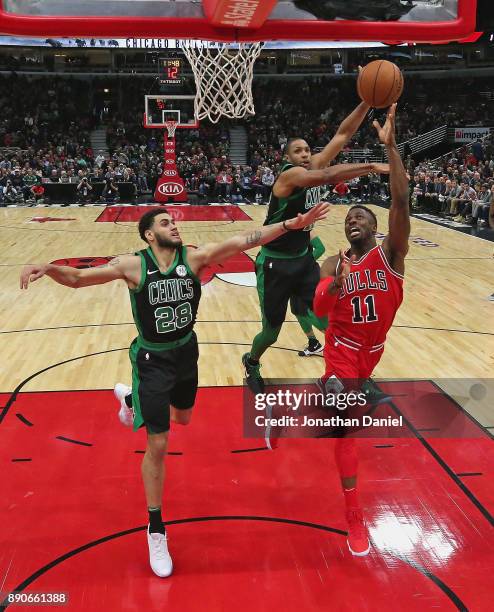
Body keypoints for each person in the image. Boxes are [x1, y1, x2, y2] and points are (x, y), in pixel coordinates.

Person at [19, 203, 329, 579]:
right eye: (165, 222)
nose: (174, 225)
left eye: (173, 221)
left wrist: (290, 224)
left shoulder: (195, 258)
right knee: (160, 443)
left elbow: (245, 239)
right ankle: (156, 528)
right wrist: (48, 268)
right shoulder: (134, 265)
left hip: (187, 351)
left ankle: (131, 399)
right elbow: (80, 278)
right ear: (149, 233)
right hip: (152, 359)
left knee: (183, 417)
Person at [313, 104, 409, 557]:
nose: (354, 220)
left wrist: (390, 149)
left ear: (374, 227)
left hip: (374, 350)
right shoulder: (334, 262)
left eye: (361, 216)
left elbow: (402, 201)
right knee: (343, 422)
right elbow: (317, 311)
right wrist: (335, 287)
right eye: (349, 217)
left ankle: (341, 393)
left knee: (348, 407)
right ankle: (354, 513)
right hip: (341, 348)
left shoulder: (390, 253)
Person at [242, 101, 390, 393]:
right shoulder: (290, 176)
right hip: (274, 262)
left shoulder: (313, 165)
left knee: (327, 323)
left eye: (308, 150)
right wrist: (371, 166)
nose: (305, 154)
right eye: (298, 151)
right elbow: (325, 177)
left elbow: (342, 135)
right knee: (271, 332)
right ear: (286, 157)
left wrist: (366, 102)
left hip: (303, 260)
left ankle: (348, 373)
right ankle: (251, 361)